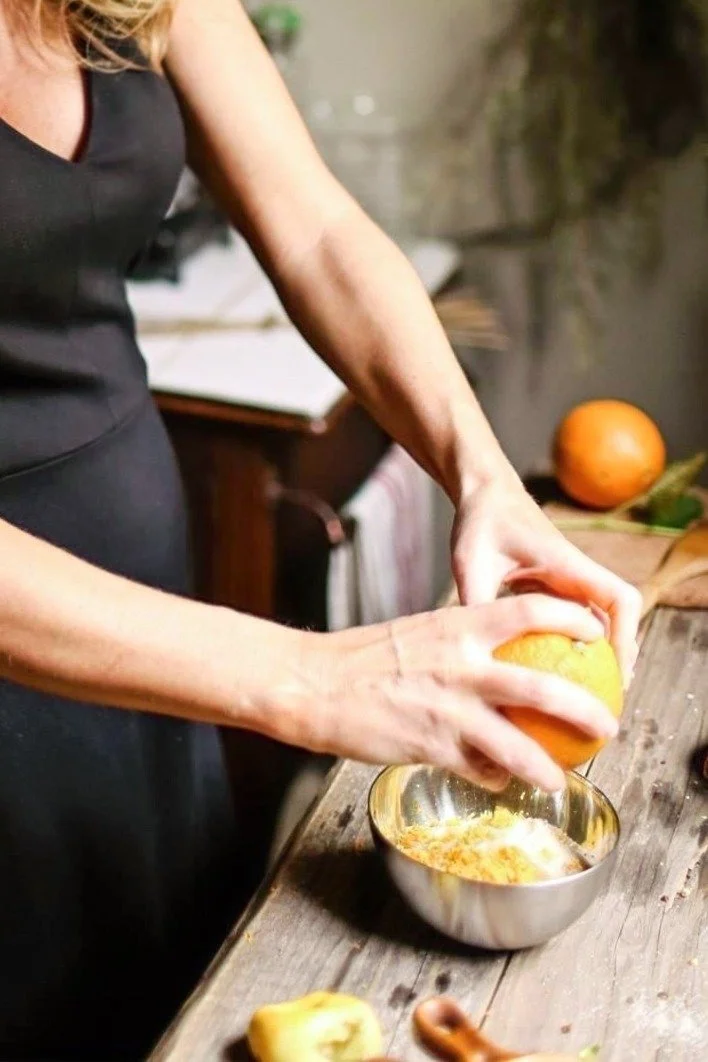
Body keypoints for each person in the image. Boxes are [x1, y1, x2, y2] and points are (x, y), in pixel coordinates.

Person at [0, 1, 641, 1057]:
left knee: (169, 990)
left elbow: (317, 230)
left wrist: (485, 475)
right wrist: (308, 676)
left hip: (154, 635)